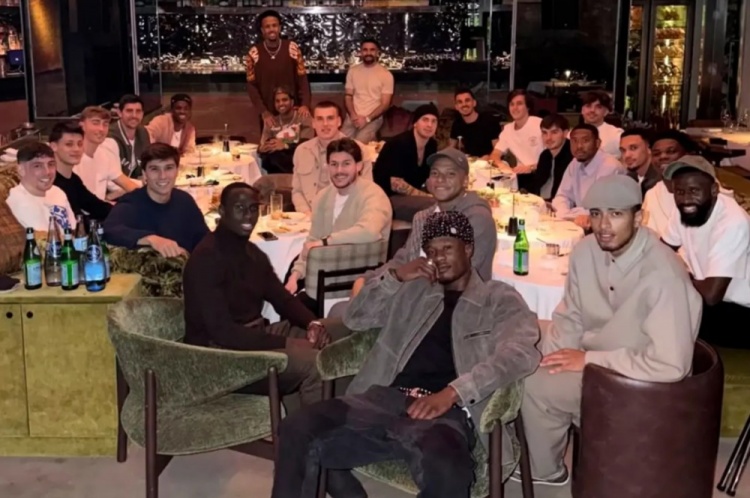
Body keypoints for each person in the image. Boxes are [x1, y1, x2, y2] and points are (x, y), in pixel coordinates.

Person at [271, 211, 541, 498]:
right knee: (296, 429)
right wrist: (396, 277)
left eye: (447, 248)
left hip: (444, 413)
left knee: (449, 470)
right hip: (382, 399)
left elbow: (520, 353)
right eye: (432, 252)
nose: (439, 258)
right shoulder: (415, 290)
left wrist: (453, 393)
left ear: (468, 249)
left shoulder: (497, 298)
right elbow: (356, 318)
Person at [519, 175, 702, 486]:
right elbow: (571, 314)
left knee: (535, 383)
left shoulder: (664, 275)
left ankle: (546, 470)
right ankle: (522, 432)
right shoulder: (586, 250)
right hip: (596, 351)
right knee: (522, 337)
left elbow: (670, 365)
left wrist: (588, 360)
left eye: (616, 214)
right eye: (596, 213)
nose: (603, 225)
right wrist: (552, 355)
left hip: (635, 380)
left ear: (638, 217)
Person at [183, 182, 348, 406]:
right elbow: (223, 332)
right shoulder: (207, 258)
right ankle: (314, 427)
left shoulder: (252, 254)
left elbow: (282, 299)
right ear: (222, 211)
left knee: (337, 334)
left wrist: (312, 324)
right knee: (315, 362)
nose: (248, 215)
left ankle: (337, 411)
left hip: (253, 337)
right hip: (220, 357)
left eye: (253, 208)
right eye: (239, 208)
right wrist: (288, 343)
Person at [285, 138, 392, 309]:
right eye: (334, 164)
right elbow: (312, 240)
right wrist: (296, 274)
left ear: (359, 166)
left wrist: (325, 242)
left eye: (346, 164)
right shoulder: (323, 197)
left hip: (358, 284)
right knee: (285, 295)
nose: (339, 170)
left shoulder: (373, 195)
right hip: (322, 279)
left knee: (296, 308)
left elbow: (369, 231)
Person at [661, 155, 750, 349]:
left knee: (665, 317)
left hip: (741, 311)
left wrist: (675, 276)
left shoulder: (732, 222)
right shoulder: (685, 210)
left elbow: (711, 295)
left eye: (694, 191)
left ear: (714, 190)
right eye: (679, 192)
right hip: (710, 300)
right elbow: (661, 250)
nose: (686, 199)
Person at [103, 143, 209, 256]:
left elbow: (204, 239)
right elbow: (109, 230)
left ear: (177, 171)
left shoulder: (184, 200)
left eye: (169, 168)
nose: (162, 176)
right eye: (154, 169)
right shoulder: (131, 203)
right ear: (144, 174)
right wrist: (150, 239)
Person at [292, 101, 373, 213]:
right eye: (320, 119)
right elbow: (297, 191)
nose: (325, 124)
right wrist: (306, 213)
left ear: (339, 121)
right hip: (308, 215)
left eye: (330, 118)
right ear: (313, 123)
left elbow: (368, 192)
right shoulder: (301, 151)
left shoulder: (360, 150)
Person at [373, 103, 439, 221]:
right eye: (425, 120)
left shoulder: (431, 145)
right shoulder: (399, 144)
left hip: (411, 195)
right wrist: (426, 196)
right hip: (388, 198)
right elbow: (396, 184)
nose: (430, 125)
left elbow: (428, 177)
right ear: (415, 123)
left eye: (434, 121)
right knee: (434, 205)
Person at [246, 10, 311, 130]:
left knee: (295, 140)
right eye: (267, 27)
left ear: (279, 28)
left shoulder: (292, 48)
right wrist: (263, 112)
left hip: (293, 111)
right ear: (262, 30)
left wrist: (305, 104)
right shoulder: (253, 53)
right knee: (270, 141)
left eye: (274, 25)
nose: (271, 29)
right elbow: (251, 86)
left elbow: (302, 79)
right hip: (269, 115)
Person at [551, 123, 624, 229]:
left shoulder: (610, 166)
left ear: (597, 143)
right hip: (576, 222)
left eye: (585, 141)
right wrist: (563, 214)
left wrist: (571, 215)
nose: (579, 146)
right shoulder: (575, 163)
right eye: (574, 141)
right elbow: (562, 196)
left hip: (606, 227)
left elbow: (600, 208)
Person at [49, 122, 111, 222]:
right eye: (69, 144)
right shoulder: (50, 182)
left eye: (80, 144)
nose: (76, 149)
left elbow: (95, 205)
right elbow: (75, 220)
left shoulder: (74, 179)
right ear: (53, 146)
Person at [7, 141, 76, 231]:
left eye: (51, 164)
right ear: (21, 170)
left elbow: (74, 230)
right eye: (37, 166)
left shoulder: (57, 192)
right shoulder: (18, 202)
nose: (47, 172)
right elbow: (42, 238)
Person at [75, 106, 138, 201]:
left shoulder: (105, 154)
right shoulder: (73, 158)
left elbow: (126, 183)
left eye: (105, 124)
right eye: (95, 123)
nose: (101, 129)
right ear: (82, 125)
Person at [642, 130, 699, 236]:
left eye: (671, 152)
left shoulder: (705, 189)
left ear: (687, 154)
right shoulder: (652, 194)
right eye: (656, 154)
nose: (663, 157)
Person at [342, 38, 394, 144]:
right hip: (352, 117)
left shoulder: (386, 75)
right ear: (361, 52)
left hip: (372, 119)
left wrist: (366, 119)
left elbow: (385, 104)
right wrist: (353, 115)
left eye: (372, 50)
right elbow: (348, 97)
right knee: (340, 144)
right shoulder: (353, 71)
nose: (368, 53)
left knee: (358, 145)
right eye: (365, 50)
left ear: (377, 52)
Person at [489, 89, 544, 190]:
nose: (515, 108)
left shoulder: (539, 124)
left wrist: (531, 167)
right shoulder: (508, 130)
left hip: (542, 176)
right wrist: (503, 166)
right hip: (521, 178)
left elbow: (554, 155)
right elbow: (494, 156)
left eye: (519, 104)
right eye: (512, 104)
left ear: (528, 107)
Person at [259, 86, 313, 174]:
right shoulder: (271, 121)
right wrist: (263, 148)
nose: (281, 104)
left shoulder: (303, 117)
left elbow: (307, 144)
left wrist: (285, 145)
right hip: (275, 169)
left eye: (284, 100)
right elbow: (263, 146)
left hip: (299, 164)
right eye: (277, 101)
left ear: (292, 102)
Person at [530, 113, 573, 200]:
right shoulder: (545, 155)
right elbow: (537, 184)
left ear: (565, 133)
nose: (548, 138)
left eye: (554, 132)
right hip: (542, 202)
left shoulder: (573, 156)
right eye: (544, 133)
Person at [109, 94, 152, 179]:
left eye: (138, 111)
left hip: (136, 182)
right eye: (129, 111)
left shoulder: (143, 132)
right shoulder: (110, 137)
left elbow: (147, 162)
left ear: (142, 114)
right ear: (119, 113)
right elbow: (111, 177)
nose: (134, 116)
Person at [449, 87, 500, 158]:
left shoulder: (490, 121)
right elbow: (451, 149)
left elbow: (499, 151)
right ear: (456, 107)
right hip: (466, 163)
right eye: (460, 102)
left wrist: (488, 158)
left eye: (467, 100)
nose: (464, 104)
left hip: (488, 162)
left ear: (474, 103)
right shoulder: (456, 124)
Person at [580, 90, 623, 158]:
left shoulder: (616, 135)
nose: (592, 110)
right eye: (588, 106)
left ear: (606, 112)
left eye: (598, 107)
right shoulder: (570, 135)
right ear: (582, 110)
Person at [620, 128, 659, 197]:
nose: (627, 155)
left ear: (649, 149)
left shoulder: (660, 181)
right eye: (623, 150)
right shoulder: (629, 178)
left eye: (633, 148)